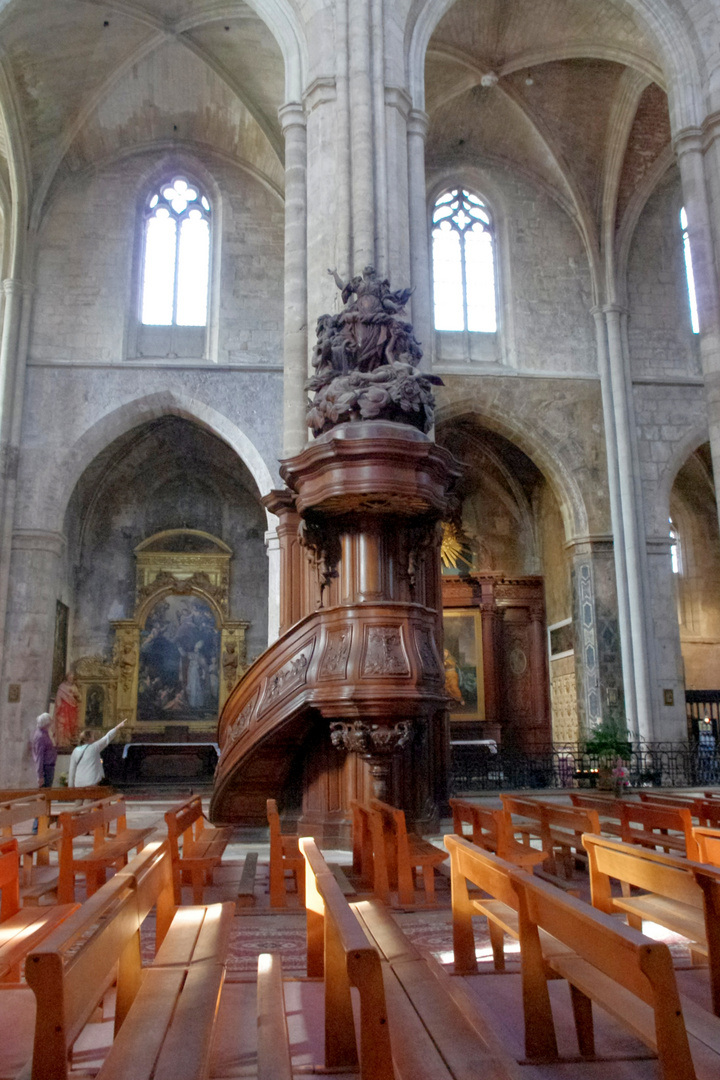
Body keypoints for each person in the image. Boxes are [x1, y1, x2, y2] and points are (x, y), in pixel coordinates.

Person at [68, 719, 127, 788]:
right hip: (91, 782)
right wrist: (118, 727)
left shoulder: (75, 750)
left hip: (78, 783)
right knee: (90, 798)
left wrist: (70, 787)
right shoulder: (94, 747)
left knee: (81, 799)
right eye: (93, 737)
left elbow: (72, 769)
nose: (95, 738)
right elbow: (107, 737)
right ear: (89, 738)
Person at [30, 712, 57, 832]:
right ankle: (37, 826)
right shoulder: (41, 736)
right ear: (47, 723)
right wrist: (40, 775)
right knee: (43, 798)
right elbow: (39, 758)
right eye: (50, 722)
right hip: (46, 769)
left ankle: (42, 824)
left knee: (45, 798)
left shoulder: (43, 734)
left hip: (47, 767)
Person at [54, 672, 81, 744]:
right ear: (67, 678)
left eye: (72, 678)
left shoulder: (74, 687)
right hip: (64, 709)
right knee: (64, 725)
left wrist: (77, 696)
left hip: (72, 709)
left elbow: (79, 697)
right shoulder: (62, 687)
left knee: (71, 725)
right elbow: (58, 698)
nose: (71, 679)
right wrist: (58, 708)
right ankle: (63, 742)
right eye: (70, 678)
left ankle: (70, 740)